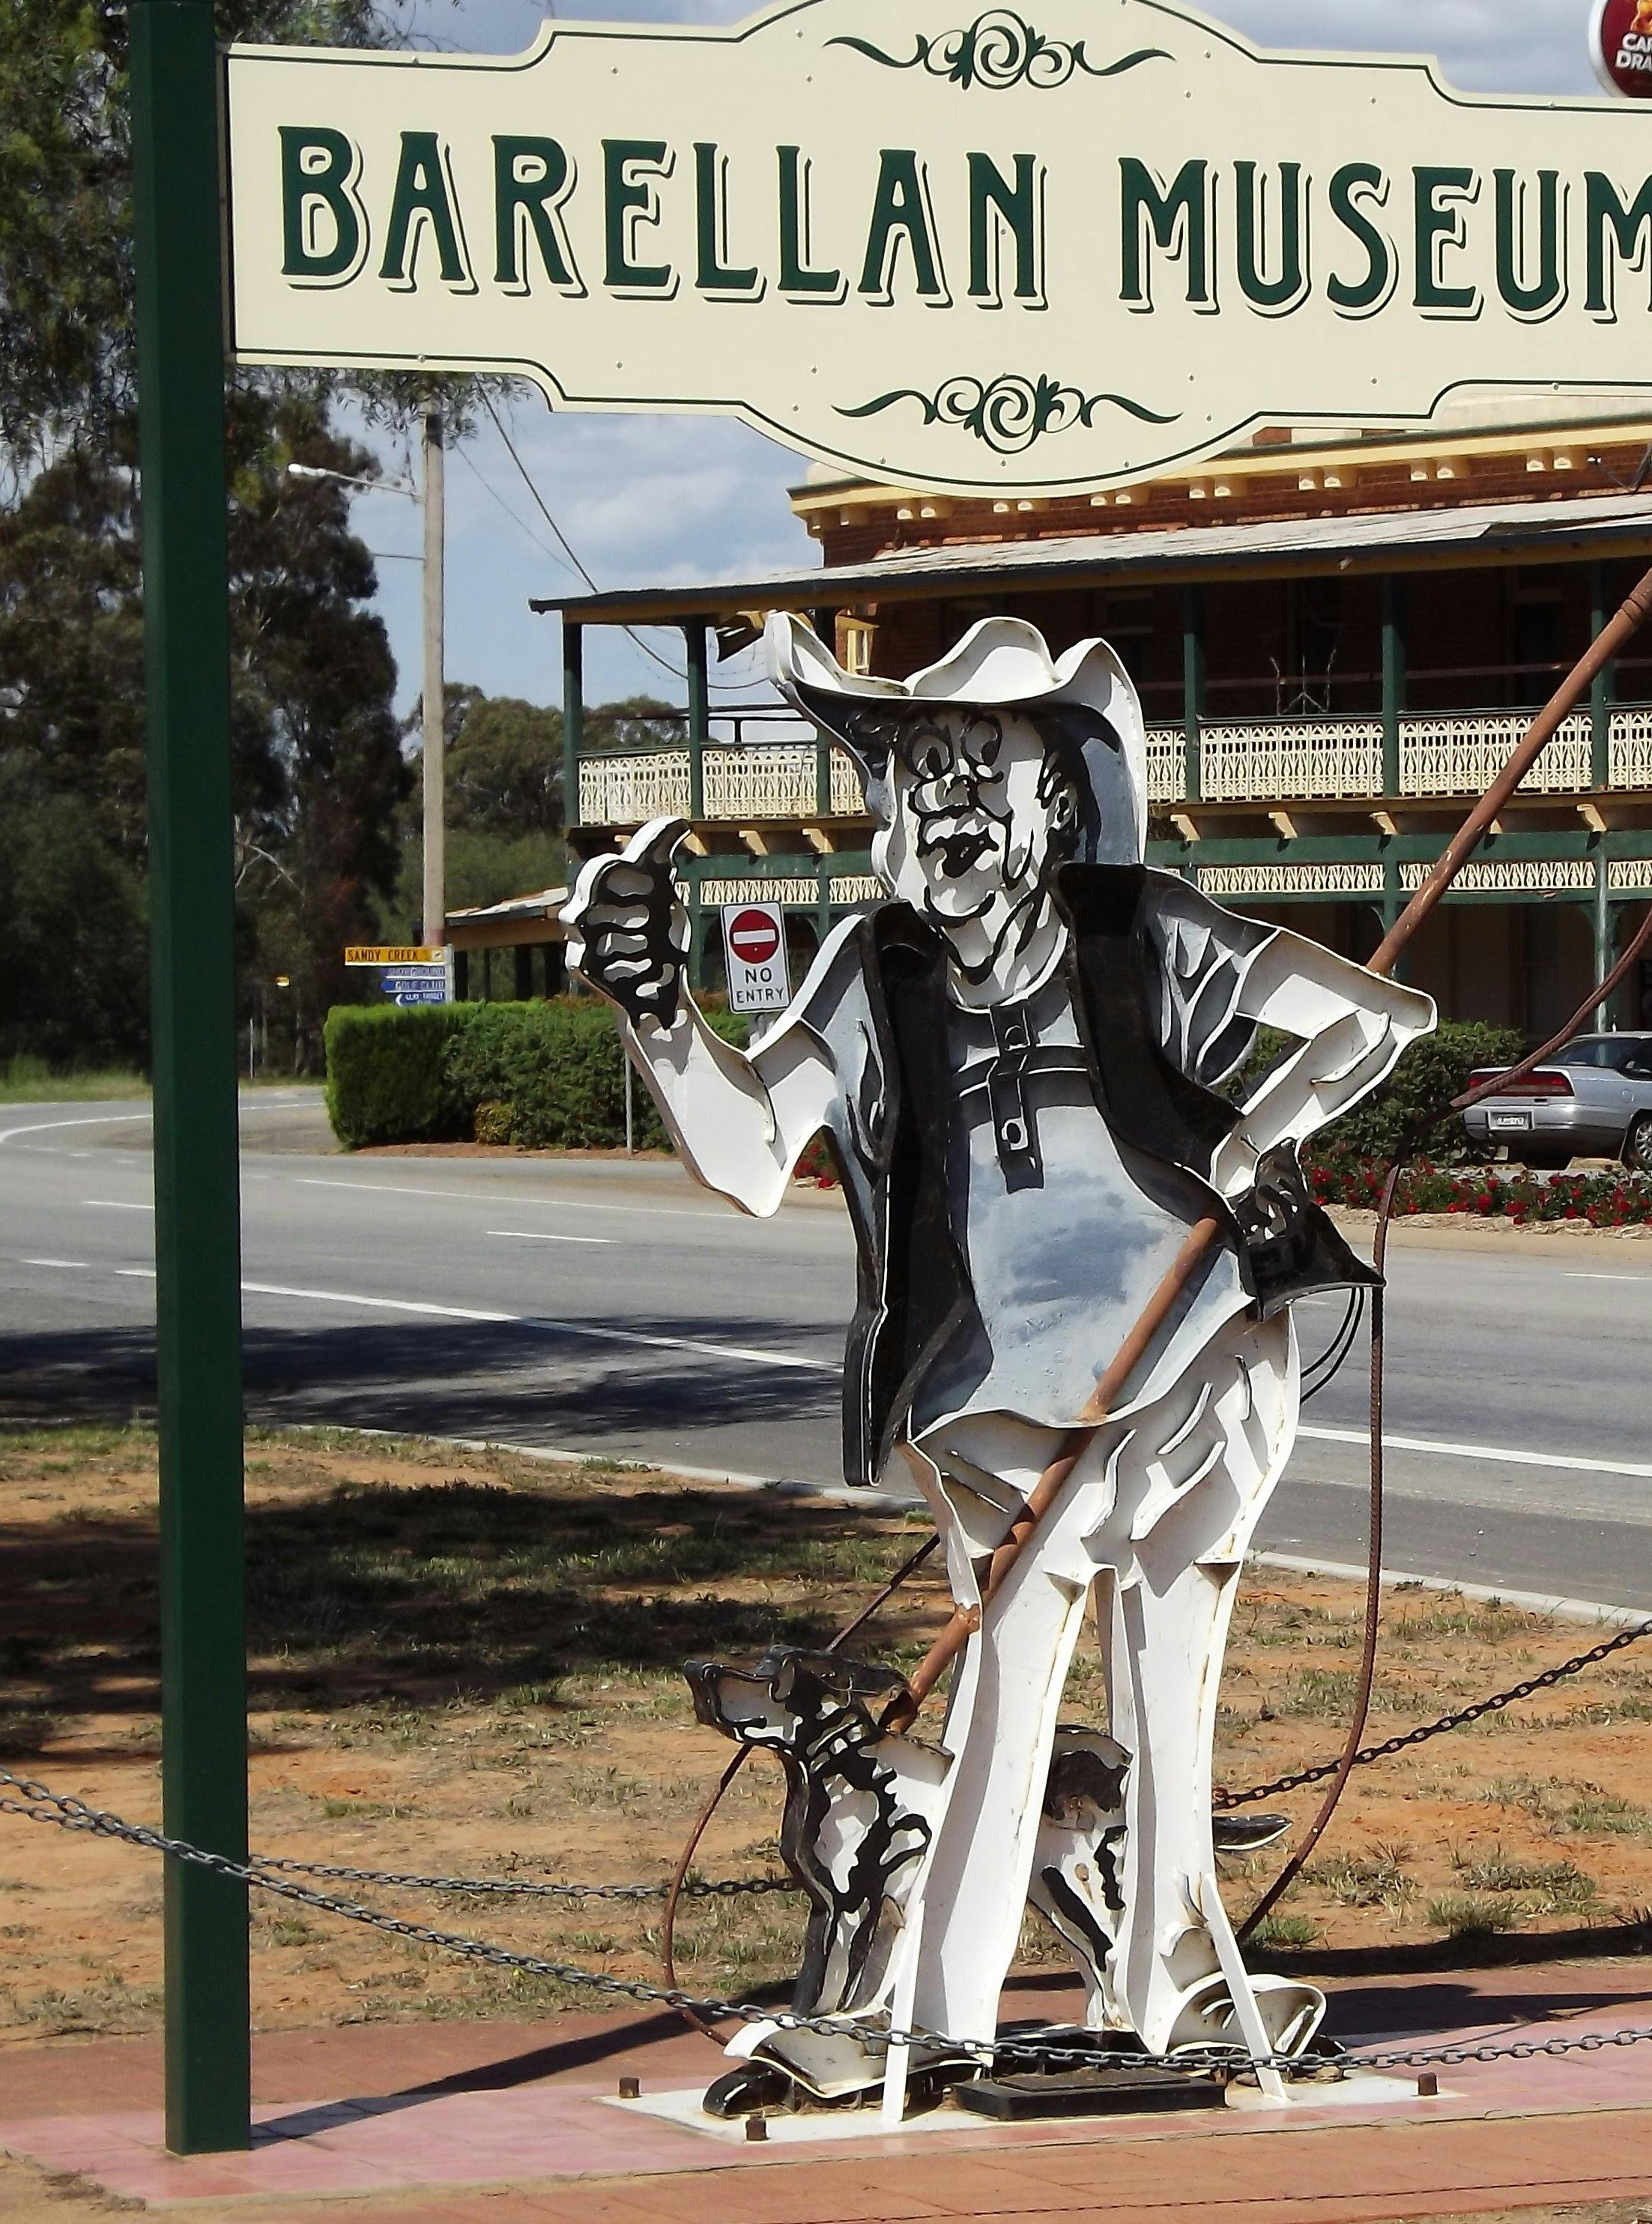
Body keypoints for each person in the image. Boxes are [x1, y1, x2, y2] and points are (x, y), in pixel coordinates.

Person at [562, 614, 1435, 2106]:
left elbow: (1374, 1019)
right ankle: (959, 2018)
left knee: (1173, 1668)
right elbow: (755, 1148)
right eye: (920, 767)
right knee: (1010, 1682)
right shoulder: (869, 970)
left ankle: (1134, 1984)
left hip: (1201, 1356)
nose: (950, 794)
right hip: (999, 1407)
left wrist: (1242, 1144)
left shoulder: (1139, 929)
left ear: (1054, 795)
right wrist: (657, 1009)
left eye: (986, 762)